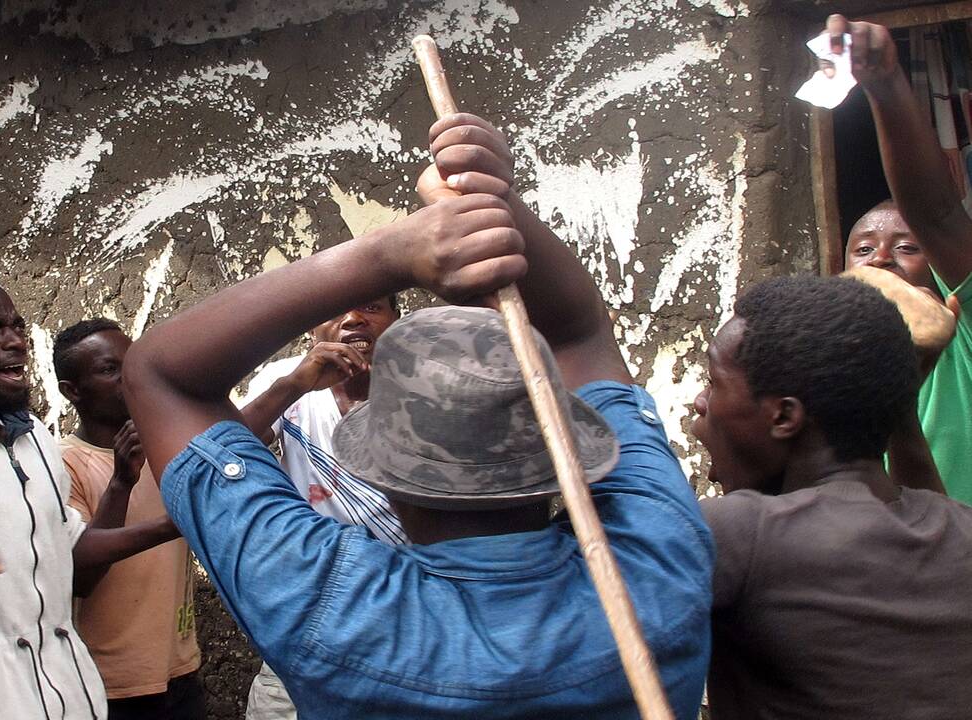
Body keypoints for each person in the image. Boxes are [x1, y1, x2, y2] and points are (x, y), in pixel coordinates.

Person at [122, 115, 714, 719]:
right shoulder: (657, 561)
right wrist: (495, 205)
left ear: (385, 476)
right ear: (565, 446)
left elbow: (162, 376)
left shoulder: (334, 606)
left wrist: (393, 250)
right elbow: (582, 334)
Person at [693, 274, 972, 719]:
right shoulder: (958, 530)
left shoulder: (742, 533)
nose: (699, 403)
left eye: (713, 382)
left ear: (784, 415)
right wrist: (895, 401)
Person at [0, 271, 178, 719]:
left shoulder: (34, 441)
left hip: (72, 692)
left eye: (17, 327)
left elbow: (73, 550)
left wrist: (174, 523)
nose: (15, 342)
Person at [240, 296, 404, 719]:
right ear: (314, 328)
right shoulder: (287, 379)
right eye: (336, 311)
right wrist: (294, 385)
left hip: (403, 612)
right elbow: (227, 445)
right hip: (308, 613)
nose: (352, 319)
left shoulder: (420, 381)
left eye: (371, 307)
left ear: (395, 319)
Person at [833, 15, 972, 504]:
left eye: (908, 247)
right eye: (864, 249)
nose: (881, 260)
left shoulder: (964, 342)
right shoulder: (829, 371)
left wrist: (886, 83)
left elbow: (935, 213)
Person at [53, 318, 203, 720]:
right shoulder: (62, 464)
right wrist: (120, 481)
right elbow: (81, 576)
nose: (128, 377)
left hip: (181, 672)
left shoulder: (167, 446)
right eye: (108, 369)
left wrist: (288, 387)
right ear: (72, 391)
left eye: (132, 362)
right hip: (109, 687)